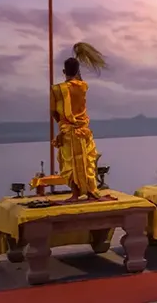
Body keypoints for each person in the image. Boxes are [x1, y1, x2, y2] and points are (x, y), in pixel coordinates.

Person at [50, 43, 106, 201]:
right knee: (86, 161)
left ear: (63, 71)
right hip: (82, 130)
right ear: (78, 72)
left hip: (67, 131)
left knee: (70, 163)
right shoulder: (83, 87)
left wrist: (63, 123)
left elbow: (54, 111)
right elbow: (78, 81)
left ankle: (75, 193)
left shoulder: (56, 90)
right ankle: (89, 191)